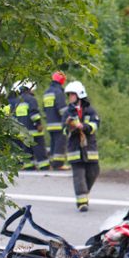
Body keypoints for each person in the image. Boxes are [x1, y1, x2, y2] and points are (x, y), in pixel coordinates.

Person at [63, 81, 100, 212]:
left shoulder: (90, 111)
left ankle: (84, 193)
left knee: (94, 172)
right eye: (69, 95)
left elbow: (95, 125)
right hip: (75, 149)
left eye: (72, 94)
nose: (70, 97)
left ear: (79, 95)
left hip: (89, 148)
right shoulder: (67, 112)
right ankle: (82, 203)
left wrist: (83, 126)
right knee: (79, 176)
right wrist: (70, 127)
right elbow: (64, 131)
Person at [13, 80, 50, 170]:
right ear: (28, 89)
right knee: (40, 151)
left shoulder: (17, 101)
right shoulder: (31, 99)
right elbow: (34, 114)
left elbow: (14, 117)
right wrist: (38, 124)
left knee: (27, 151)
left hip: (23, 133)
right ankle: (44, 167)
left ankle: (29, 167)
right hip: (34, 132)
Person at [43, 71, 69, 170]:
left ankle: (53, 163)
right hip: (59, 124)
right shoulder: (58, 92)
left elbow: (44, 109)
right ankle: (58, 164)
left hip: (50, 124)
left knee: (53, 144)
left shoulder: (47, 92)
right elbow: (62, 109)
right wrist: (69, 117)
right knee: (60, 144)